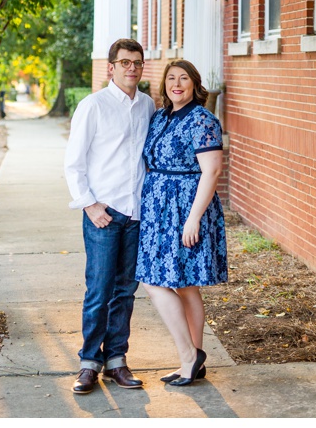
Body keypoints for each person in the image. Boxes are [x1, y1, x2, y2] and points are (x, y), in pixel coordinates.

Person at [64, 38, 155, 394]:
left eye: (137, 62)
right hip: (104, 213)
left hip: (136, 215)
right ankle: (89, 362)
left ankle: (116, 360)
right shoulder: (93, 106)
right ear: (111, 67)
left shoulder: (147, 105)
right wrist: (89, 204)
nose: (132, 68)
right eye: (125, 62)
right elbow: (74, 162)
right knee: (99, 291)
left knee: (126, 292)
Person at [136, 59, 227, 386]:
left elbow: (212, 171)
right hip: (158, 211)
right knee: (183, 284)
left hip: (186, 209)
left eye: (184, 78)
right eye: (171, 78)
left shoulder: (203, 120)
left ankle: (189, 355)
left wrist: (193, 219)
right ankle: (193, 361)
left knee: (156, 281)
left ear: (194, 84)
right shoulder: (160, 116)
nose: (177, 83)